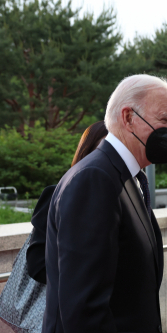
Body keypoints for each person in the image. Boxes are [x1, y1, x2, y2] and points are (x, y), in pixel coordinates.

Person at [30, 75, 167, 333]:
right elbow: (83, 304)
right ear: (128, 117)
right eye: (165, 119)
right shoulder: (95, 179)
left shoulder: (124, 177)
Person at [26, 120, 109, 284]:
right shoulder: (57, 195)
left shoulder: (125, 197)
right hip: (65, 304)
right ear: (87, 153)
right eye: (104, 152)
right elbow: (37, 265)